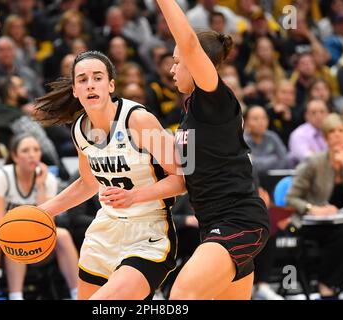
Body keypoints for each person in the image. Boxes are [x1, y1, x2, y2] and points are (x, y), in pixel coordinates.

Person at [108, 0, 270, 299]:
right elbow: (183, 180)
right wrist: (134, 195)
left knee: (181, 296)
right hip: (213, 227)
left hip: (238, 222)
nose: (172, 69)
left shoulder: (215, 99)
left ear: (197, 64)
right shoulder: (190, 113)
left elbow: (190, 44)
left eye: (177, 61)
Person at [34, 50, 184, 300]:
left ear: (111, 85)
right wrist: (43, 212)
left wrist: (135, 196)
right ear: (74, 90)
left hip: (148, 231)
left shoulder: (139, 120)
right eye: (82, 79)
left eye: (97, 78)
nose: (90, 84)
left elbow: (182, 178)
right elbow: (88, 183)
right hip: (104, 232)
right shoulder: (80, 130)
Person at [0, 133, 79, 300]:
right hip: (2, 241)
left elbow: (49, 224)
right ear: (14, 156)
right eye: (25, 150)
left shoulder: (48, 179)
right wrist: (22, 228)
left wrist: (41, 188)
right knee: (15, 237)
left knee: (63, 235)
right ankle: (16, 296)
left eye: (36, 150)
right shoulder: (0, 177)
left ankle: (77, 293)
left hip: (37, 241)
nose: (32, 155)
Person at [286, 113, 343, 298]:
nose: (337, 135)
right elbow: (291, 198)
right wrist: (313, 209)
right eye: (332, 131)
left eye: (341, 131)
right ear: (325, 137)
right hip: (314, 222)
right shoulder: (315, 162)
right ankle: (327, 287)